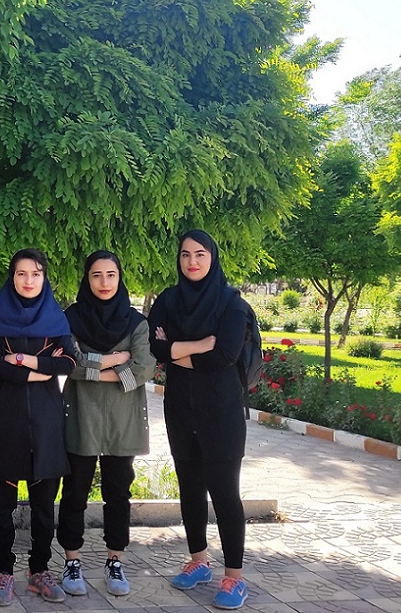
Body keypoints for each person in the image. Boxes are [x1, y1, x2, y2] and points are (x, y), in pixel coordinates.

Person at [147, 230, 251, 610]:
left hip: (221, 412)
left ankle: (234, 578)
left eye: (200, 254)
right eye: (186, 255)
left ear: (212, 257)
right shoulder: (169, 300)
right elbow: (152, 346)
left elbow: (224, 355)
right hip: (180, 409)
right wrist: (197, 346)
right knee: (190, 489)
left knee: (224, 493)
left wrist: (175, 351)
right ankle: (198, 561)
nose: (192, 261)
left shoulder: (231, 304)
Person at [0, 248, 77, 607]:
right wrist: (40, 371)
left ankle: (40, 571)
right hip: (6, 422)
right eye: (21, 273)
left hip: (47, 424)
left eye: (36, 273)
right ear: (12, 277)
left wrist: (22, 360)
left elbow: (69, 362)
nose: (29, 280)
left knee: (44, 509)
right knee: (0, 507)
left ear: (44, 278)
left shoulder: (55, 318)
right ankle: (3, 572)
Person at [57, 250, 153, 597]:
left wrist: (95, 368)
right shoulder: (71, 318)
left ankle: (115, 560)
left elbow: (144, 368)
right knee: (74, 492)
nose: (104, 282)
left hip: (122, 420)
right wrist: (116, 359)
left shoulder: (136, 322)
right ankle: (72, 560)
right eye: (96, 275)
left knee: (118, 493)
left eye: (111, 275)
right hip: (81, 416)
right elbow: (71, 363)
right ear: (87, 279)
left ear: (119, 278)